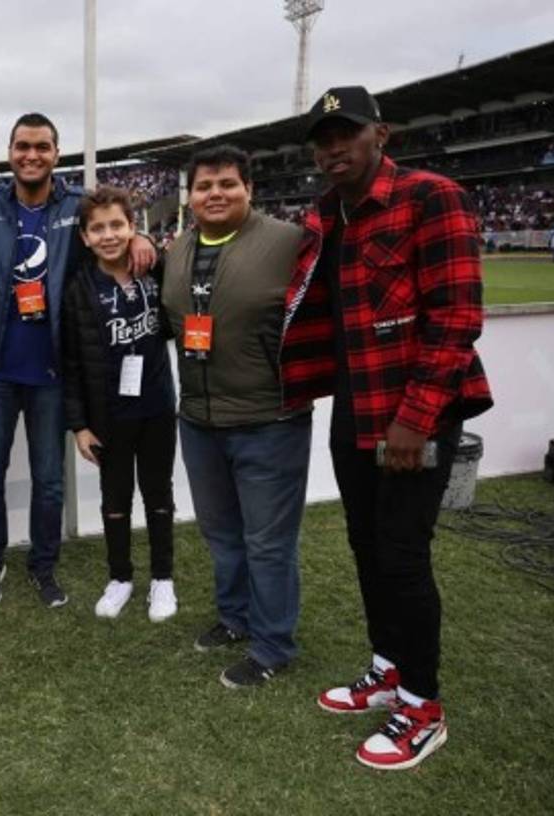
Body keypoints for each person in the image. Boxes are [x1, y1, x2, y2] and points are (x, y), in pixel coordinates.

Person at [283, 86, 493, 770]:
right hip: (356, 403)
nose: (332, 147)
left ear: (382, 135)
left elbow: (457, 317)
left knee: (402, 554)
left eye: (345, 133)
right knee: (366, 544)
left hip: (414, 411)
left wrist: (416, 418)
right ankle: (388, 669)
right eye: (322, 137)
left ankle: (423, 707)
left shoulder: (433, 197)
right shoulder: (327, 215)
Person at [0, 112, 155, 607]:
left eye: (41, 146)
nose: (31, 155)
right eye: (22, 146)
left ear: (56, 152)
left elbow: (110, 234)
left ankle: (43, 567)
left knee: (49, 481)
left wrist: (143, 238)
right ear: (10, 152)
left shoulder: (76, 205)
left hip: (51, 371)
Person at [160, 147, 310, 688]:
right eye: (204, 186)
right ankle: (236, 618)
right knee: (222, 534)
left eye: (227, 183)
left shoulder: (289, 242)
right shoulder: (177, 247)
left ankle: (274, 645)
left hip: (270, 419)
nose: (215, 194)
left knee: (269, 541)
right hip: (198, 419)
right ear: (191, 196)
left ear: (249, 188)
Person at [61, 186, 178, 622]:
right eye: (98, 228)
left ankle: (162, 578)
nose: (109, 235)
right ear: (85, 238)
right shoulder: (77, 289)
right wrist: (78, 425)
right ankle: (121, 577)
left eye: (117, 225)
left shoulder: (154, 270)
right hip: (108, 415)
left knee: (158, 493)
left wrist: (151, 249)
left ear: (133, 228)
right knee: (115, 499)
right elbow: (70, 362)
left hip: (158, 408)